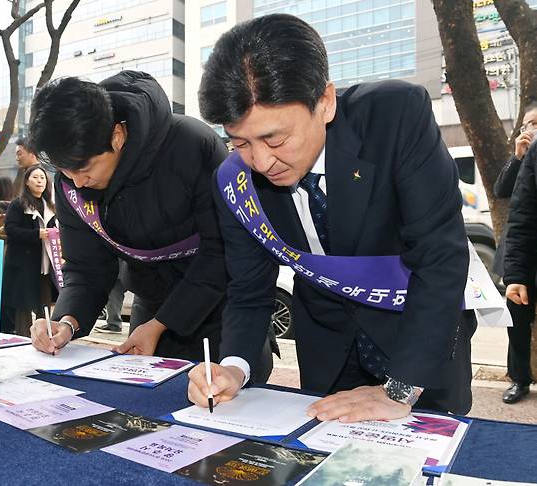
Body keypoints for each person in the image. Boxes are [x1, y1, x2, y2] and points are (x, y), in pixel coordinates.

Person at [187, 14, 475, 422]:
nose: (262, 162)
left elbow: (439, 257)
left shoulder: (395, 118)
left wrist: (400, 388)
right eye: (240, 143)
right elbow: (249, 290)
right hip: (326, 348)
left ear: (324, 102)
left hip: (419, 343)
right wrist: (233, 368)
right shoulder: (233, 180)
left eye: (276, 138)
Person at [27, 72, 273, 377]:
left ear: (116, 136)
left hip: (221, 310)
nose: (78, 181)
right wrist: (66, 321)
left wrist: (163, 323)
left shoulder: (191, 146)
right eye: (66, 172)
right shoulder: (71, 184)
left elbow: (221, 249)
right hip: (150, 312)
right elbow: (87, 268)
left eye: (85, 168)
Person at [502, 105, 537, 404]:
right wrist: (518, 157)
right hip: (524, 259)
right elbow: (510, 198)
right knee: (517, 323)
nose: (532, 128)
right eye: (530, 123)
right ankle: (519, 379)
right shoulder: (528, 155)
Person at [1, 165, 57, 335]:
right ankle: (24, 338)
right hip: (23, 263)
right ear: (26, 181)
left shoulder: (50, 205)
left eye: (42, 178)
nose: (40, 181)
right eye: (35, 177)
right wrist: (36, 234)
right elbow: (10, 230)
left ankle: (44, 336)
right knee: (23, 305)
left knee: (44, 302)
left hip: (45, 263)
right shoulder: (18, 204)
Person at [0, 138, 39, 219]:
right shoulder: (26, 173)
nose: (17, 158)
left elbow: (29, 205)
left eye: (19, 154)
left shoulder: (37, 174)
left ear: (32, 154)